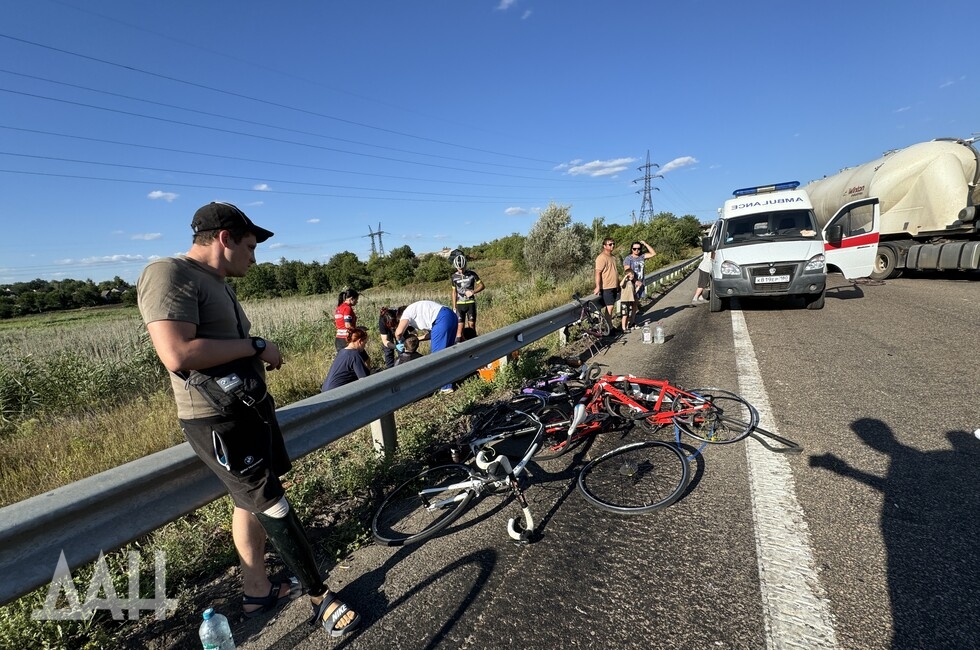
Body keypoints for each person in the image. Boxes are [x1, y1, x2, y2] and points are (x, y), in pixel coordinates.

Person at [136, 201, 361, 639]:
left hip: (247, 408)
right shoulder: (168, 273)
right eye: (251, 247)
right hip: (217, 420)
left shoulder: (216, 282)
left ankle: (256, 591)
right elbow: (176, 353)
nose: (254, 259)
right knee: (271, 502)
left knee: (249, 501)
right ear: (225, 238)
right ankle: (320, 597)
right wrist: (256, 345)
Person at [394, 300, 459, 392]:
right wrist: (417, 339)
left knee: (437, 357)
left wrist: (400, 341)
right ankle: (452, 378)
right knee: (447, 352)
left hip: (441, 319)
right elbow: (433, 334)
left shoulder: (406, 313)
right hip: (451, 316)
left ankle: (445, 387)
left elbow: (398, 332)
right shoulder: (418, 311)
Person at [450, 253, 485, 343]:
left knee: (472, 327)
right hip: (460, 304)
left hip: (470, 303)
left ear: (465, 265)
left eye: (462, 268)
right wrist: (454, 306)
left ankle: (474, 345)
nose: (461, 270)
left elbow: (482, 286)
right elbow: (454, 292)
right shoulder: (454, 277)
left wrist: (473, 292)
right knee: (459, 329)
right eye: (459, 268)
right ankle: (459, 347)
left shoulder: (472, 274)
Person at [594, 237, 620, 328]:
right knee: (610, 308)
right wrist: (598, 286)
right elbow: (598, 272)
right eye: (610, 244)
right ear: (604, 246)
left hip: (614, 286)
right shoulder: (601, 258)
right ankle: (609, 328)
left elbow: (615, 271)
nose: (612, 246)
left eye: (613, 244)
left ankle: (609, 327)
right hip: (606, 287)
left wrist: (618, 284)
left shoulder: (613, 257)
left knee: (610, 308)